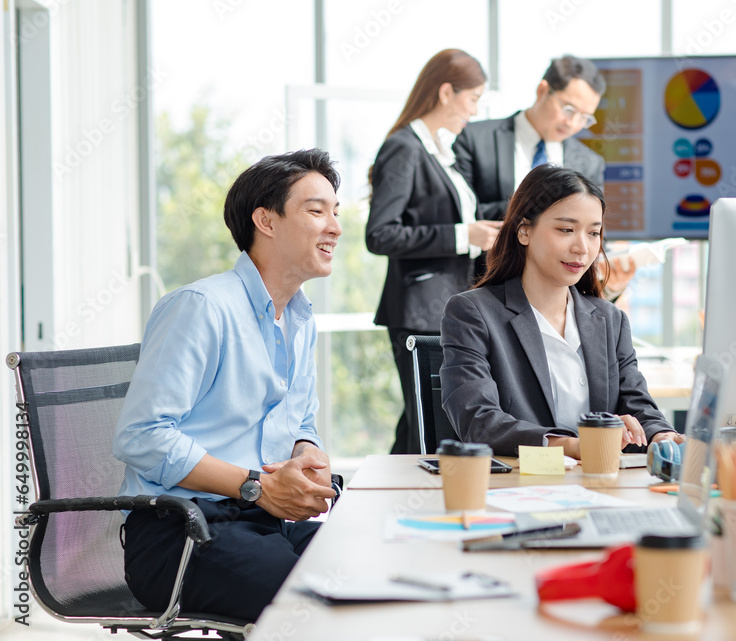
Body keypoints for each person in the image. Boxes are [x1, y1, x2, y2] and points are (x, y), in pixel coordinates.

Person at [113, 149, 342, 622]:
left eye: (335, 212)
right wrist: (255, 486)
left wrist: (306, 458)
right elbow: (141, 436)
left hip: (263, 523)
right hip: (179, 534)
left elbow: (301, 421)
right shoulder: (202, 307)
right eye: (316, 210)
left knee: (375, 567)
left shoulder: (300, 318)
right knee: (314, 608)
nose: (335, 227)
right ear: (266, 221)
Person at [439, 164, 683, 458]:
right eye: (566, 230)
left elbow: (637, 404)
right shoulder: (473, 312)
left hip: (600, 485)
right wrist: (574, 445)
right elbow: (479, 422)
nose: (582, 247)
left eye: (594, 233)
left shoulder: (609, 319)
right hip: (518, 489)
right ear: (524, 231)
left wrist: (662, 435)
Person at [367, 49, 502, 455]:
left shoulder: (442, 152)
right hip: (419, 311)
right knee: (430, 423)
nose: (475, 112)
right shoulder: (405, 147)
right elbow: (381, 234)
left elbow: (463, 214)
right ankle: (407, 504)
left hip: (444, 307)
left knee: (418, 420)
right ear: (446, 92)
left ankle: (383, 501)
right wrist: (464, 236)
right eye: (473, 99)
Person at [453, 54, 636, 297]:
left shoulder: (589, 163)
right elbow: (460, 215)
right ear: (543, 90)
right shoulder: (476, 139)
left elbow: (589, 230)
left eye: (585, 118)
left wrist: (609, 279)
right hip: (480, 291)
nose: (573, 124)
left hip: (554, 303)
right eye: (568, 109)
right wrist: (540, 215)